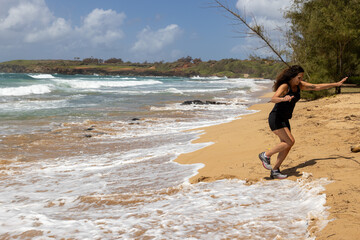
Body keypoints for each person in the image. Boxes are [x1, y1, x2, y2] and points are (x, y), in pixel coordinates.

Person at [258, 65, 348, 179]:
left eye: (301, 78)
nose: (300, 80)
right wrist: (283, 99)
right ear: (292, 76)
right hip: (276, 118)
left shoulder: (299, 85)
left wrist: (336, 84)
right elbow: (273, 98)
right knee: (289, 142)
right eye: (299, 77)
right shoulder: (285, 86)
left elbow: (316, 87)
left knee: (287, 145)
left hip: (284, 119)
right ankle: (265, 155)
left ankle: (275, 170)